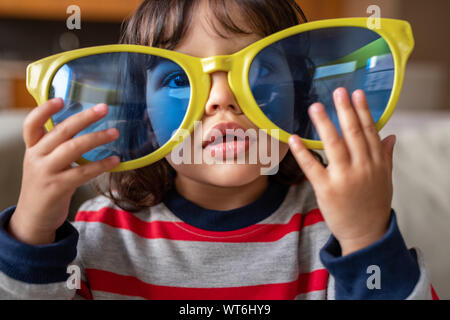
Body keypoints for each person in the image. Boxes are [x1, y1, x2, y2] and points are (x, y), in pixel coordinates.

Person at [0, 0, 437, 299]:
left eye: (260, 66)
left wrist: (366, 237)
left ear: (300, 96)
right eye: (177, 78)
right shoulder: (100, 233)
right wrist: (32, 233)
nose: (220, 99)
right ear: (144, 114)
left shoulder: (336, 229)